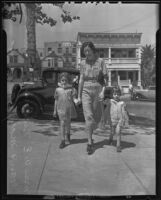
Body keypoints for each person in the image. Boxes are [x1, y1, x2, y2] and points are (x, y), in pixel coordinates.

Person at [77, 41, 108, 155]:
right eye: (84, 51)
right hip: (86, 90)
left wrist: (103, 92)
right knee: (88, 117)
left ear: (93, 50)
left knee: (96, 116)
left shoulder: (101, 62)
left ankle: (91, 131)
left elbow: (105, 78)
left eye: (88, 50)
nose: (86, 53)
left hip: (98, 90)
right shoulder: (82, 63)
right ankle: (90, 143)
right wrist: (78, 96)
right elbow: (81, 79)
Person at [53, 72, 77, 149]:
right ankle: (63, 140)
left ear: (68, 80)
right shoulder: (57, 89)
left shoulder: (71, 89)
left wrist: (76, 101)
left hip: (69, 108)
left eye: (65, 80)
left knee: (68, 123)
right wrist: (54, 110)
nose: (64, 81)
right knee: (62, 124)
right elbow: (56, 100)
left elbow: (74, 98)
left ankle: (68, 134)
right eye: (62, 80)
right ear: (60, 80)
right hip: (60, 109)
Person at [103, 87, 129, 152]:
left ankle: (118, 146)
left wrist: (126, 120)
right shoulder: (110, 101)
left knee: (118, 132)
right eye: (114, 94)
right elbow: (103, 103)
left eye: (118, 94)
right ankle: (110, 139)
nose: (116, 95)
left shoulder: (122, 103)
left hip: (120, 120)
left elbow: (125, 112)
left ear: (120, 95)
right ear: (112, 95)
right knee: (112, 132)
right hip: (112, 120)